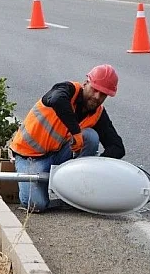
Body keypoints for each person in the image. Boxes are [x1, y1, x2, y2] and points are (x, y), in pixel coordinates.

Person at [9, 64, 125, 213]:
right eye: (95, 89)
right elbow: (57, 100)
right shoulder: (66, 90)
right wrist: (76, 132)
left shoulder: (98, 113)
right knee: (36, 205)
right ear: (85, 83)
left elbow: (117, 147)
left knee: (91, 137)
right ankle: (49, 187)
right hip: (29, 157)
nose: (97, 97)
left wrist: (96, 170)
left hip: (58, 155)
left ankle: (75, 192)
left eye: (103, 94)